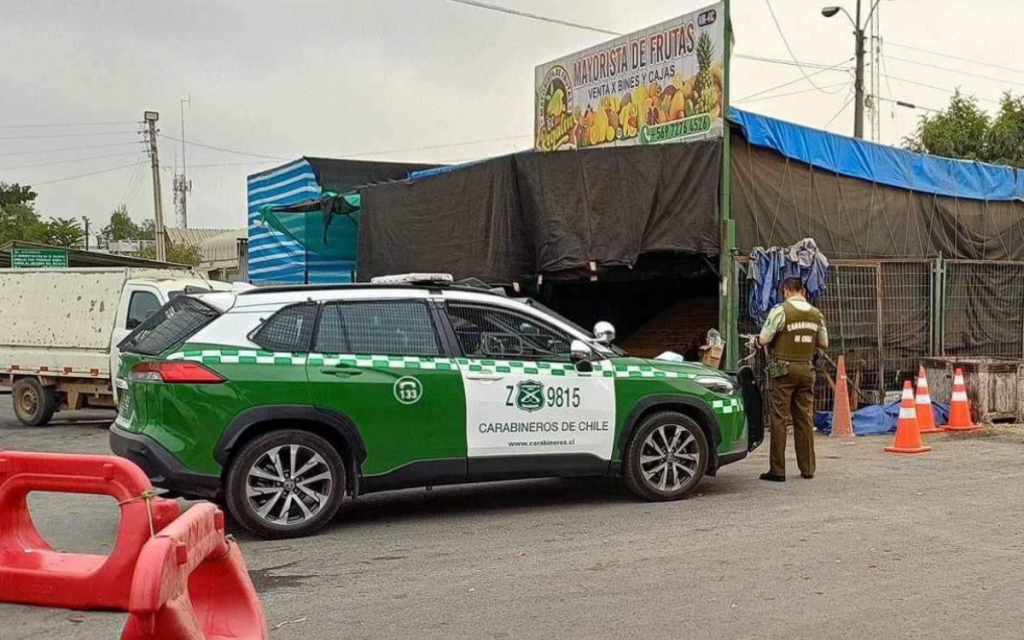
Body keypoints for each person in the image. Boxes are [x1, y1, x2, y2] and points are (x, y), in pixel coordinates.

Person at [757, 277, 828, 482]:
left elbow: (764, 339)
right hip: (807, 369)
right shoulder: (816, 314)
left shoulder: (780, 311)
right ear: (803, 291)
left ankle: (777, 470)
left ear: (785, 291)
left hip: (783, 371)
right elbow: (824, 343)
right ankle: (807, 468)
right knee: (804, 419)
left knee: (779, 418)